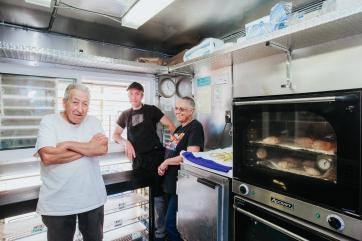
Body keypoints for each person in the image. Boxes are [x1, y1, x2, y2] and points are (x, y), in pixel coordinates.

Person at [35, 84, 108, 241]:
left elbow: (101, 149)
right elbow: (48, 157)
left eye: (85, 104)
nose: (80, 109)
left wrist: (67, 144)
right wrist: (88, 148)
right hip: (58, 204)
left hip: (92, 199)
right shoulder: (49, 122)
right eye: (75, 102)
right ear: (64, 102)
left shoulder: (94, 122)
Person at [113, 81, 175, 241]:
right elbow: (116, 135)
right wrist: (125, 142)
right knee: (141, 192)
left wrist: (174, 146)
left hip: (155, 158)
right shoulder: (125, 114)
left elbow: (169, 125)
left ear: (141, 95)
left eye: (136, 93)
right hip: (138, 160)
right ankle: (144, 226)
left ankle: (160, 232)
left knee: (158, 194)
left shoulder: (151, 110)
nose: (133, 97)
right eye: (130, 94)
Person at [158, 97, 204, 241]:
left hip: (183, 184)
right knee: (171, 222)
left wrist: (166, 162)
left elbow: (191, 155)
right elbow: (172, 150)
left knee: (171, 224)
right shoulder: (179, 129)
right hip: (171, 183)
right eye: (176, 108)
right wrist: (163, 165)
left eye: (182, 109)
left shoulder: (195, 127)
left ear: (192, 111)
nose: (177, 112)